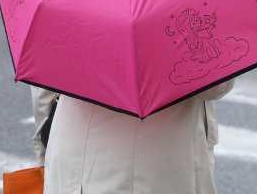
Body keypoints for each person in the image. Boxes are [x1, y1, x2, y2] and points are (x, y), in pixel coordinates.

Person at [31, 79, 234, 194]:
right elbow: (215, 84)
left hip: (71, 147)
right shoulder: (181, 3)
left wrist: (45, 159)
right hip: (158, 159)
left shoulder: (71, 2)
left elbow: (43, 88)